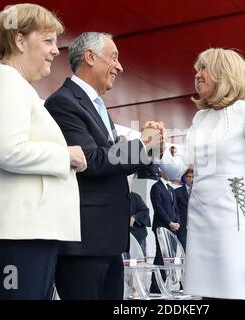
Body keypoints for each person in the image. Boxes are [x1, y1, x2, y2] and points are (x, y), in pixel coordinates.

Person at [0, 4, 87, 300]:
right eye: (48, 40)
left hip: (23, 233)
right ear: (19, 40)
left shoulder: (16, 85)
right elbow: (9, 151)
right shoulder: (5, 80)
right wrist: (65, 155)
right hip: (15, 235)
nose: (56, 50)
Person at [45, 32, 162, 300]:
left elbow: (114, 163)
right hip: (85, 241)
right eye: (114, 57)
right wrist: (141, 145)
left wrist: (151, 146)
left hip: (108, 239)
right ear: (90, 56)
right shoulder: (62, 102)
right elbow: (92, 161)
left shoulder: (98, 108)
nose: (119, 67)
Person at [158, 48, 245, 299]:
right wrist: (158, 149)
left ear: (224, 73)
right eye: (196, 69)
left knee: (232, 293)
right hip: (200, 221)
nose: (197, 74)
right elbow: (177, 167)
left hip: (233, 219)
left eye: (204, 68)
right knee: (205, 297)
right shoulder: (200, 117)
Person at [174, 167, 193, 250]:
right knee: (184, 250)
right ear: (185, 178)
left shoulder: (199, 192)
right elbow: (175, 209)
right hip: (182, 226)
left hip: (196, 226)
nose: (191, 179)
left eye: (193, 177)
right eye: (189, 176)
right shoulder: (177, 192)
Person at [129, 189, 151, 255]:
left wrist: (134, 218)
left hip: (137, 233)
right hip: (122, 236)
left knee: (140, 261)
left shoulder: (135, 197)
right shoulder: (116, 198)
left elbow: (145, 211)